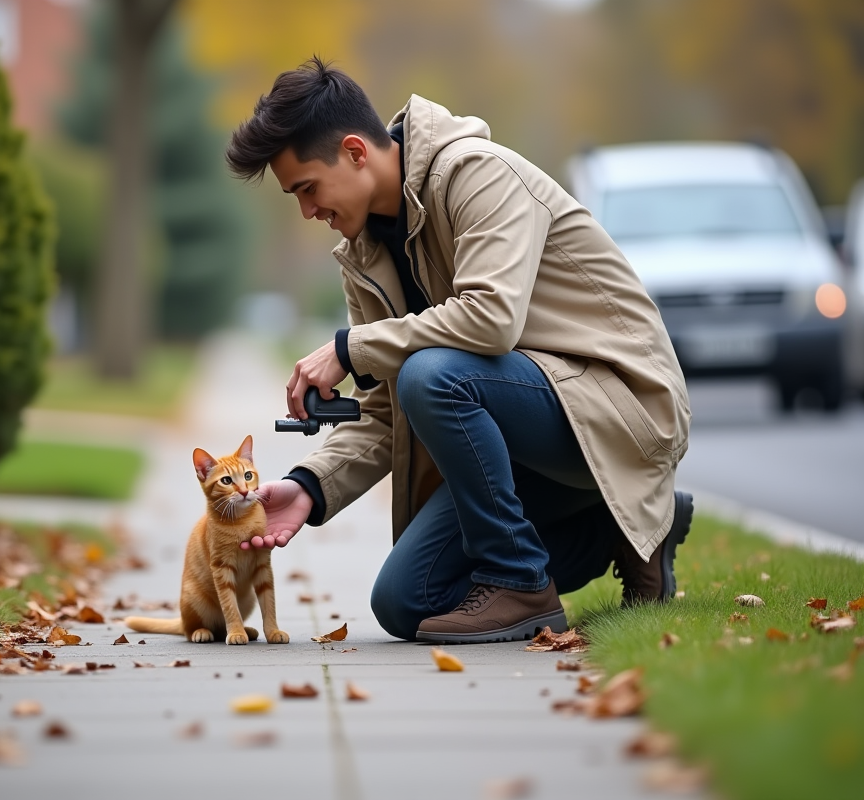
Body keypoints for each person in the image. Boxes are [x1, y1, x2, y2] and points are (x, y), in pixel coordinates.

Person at [224, 57, 692, 644]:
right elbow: (385, 410)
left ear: (355, 152)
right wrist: (311, 485)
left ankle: (521, 583)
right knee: (405, 602)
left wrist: (350, 348)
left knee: (431, 375)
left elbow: (491, 320)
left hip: (621, 412)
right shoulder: (363, 253)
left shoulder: (477, 174)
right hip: (522, 432)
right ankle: (617, 530)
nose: (307, 211)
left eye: (308, 188)